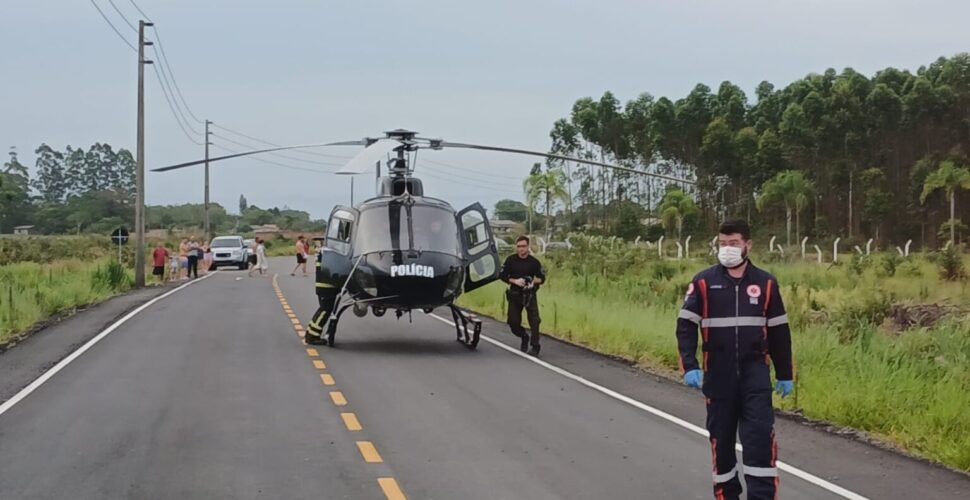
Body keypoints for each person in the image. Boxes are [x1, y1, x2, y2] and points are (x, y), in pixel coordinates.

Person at [676, 219, 794, 500]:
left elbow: (779, 333)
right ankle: (726, 494)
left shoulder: (766, 283)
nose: (727, 249)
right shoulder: (703, 282)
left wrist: (785, 373)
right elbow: (685, 326)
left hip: (756, 374)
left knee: (760, 440)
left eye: (734, 243)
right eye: (723, 243)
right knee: (722, 441)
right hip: (718, 375)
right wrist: (690, 366)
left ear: (748, 245)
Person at [499, 235, 546, 356]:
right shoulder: (510, 260)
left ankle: (535, 346)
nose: (521, 249)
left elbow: (542, 278)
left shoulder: (534, 262)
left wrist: (532, 282)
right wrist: (514, 281)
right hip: (515, 294)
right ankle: (523, 335)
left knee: (534, 321)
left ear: (528, 247)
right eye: (519, 246)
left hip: (529, 294)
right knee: (513, 322)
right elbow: (502, 275)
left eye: (523, 246)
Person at [305, 242, 339, 345]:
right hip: (327, 286)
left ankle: (310, 333)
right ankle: (312, 337)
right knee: (325, 310)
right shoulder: (331, 254)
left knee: (322, 309)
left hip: (323, 285)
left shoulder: (325, 252)